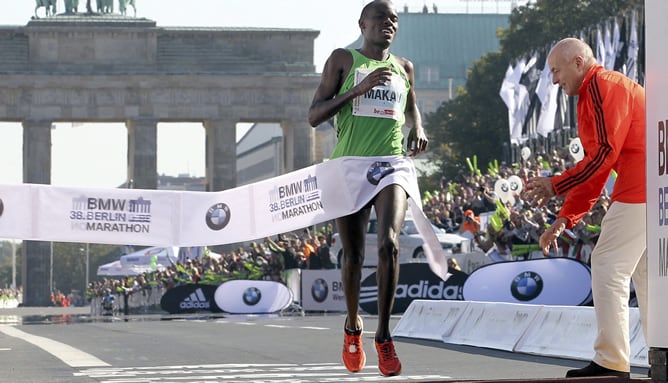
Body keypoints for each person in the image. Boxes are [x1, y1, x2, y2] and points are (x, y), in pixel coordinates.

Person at [307, 0, 427, 376]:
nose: (388, 24)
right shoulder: (343, 60)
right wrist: (355, 92)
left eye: (394, 19)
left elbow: (412, 107)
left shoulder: (404, 67)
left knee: (389, 243)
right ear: (363, 24)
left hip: (391, 164)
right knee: (354, 256)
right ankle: (353, 325)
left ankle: (385, 335)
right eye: (380, 18)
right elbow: (314, 115)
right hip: (350, 166)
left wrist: (418, 128)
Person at [525, 37, 646, 379]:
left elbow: (603, 156)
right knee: (647, 275)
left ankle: (611, 362)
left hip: (642, 184)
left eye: (556, 71)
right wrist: (565, 219)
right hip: (651, 182)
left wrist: (555, 184)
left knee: (608, 264)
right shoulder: (594, 93)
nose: (553, 80)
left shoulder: (601, 87)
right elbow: (597, 168)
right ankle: (658, 352)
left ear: (578, 62)